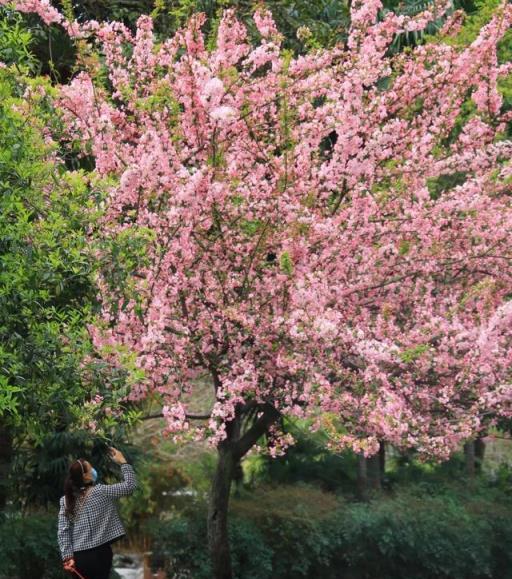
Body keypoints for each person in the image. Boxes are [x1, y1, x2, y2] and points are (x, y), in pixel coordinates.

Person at [57, 447, 137, 579]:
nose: (94, 470)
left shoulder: (65, 500)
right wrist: (123, 462)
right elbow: (130, 486)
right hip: (101, 554)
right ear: (86, 476)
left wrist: (67, 556)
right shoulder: (101, 492)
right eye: (91, 468)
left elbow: (63, 531)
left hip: (78, 557)